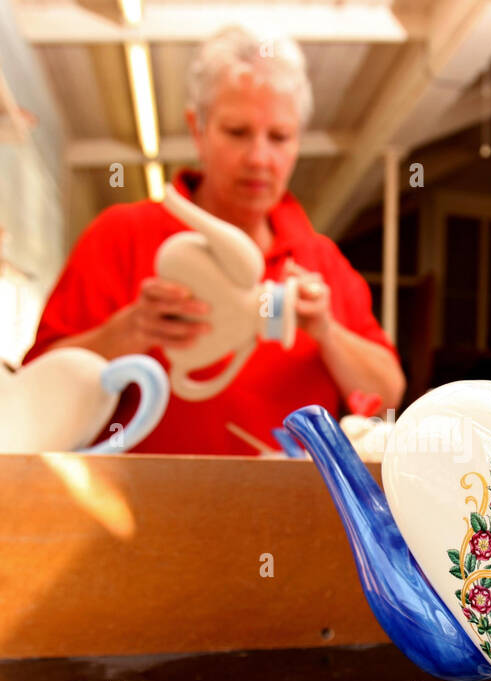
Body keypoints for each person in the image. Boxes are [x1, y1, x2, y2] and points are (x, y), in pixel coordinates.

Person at [23, 26, 405, 454]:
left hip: (290, 515)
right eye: (238, 132)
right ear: (197, 129)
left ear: (298, 141)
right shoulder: (121, 236)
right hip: (139, 511)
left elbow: (386, 394)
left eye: (279, 137)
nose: (259, 158)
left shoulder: (321, 261)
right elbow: (35, 388)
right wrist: (126, 332)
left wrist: (326, 332)